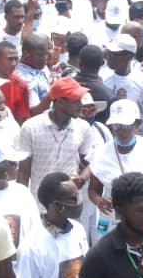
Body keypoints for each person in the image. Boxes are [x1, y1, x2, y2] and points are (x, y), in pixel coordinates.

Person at [17, 77, 98, 206]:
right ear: (60, 102)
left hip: (70, 204)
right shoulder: (31, 127)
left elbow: (90, 162)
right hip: (38, 204)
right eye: (75, 101)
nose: (80, 105)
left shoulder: (83, 128)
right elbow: (23, 170)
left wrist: (82, 178)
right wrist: (20, 202)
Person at [88, 99, 143, 241]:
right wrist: (99, 201)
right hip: (112, 220)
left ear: (137, 124)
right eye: (116, 126)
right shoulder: (100, 153)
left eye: (126, 126)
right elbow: (93, 190)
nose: (121, 131)